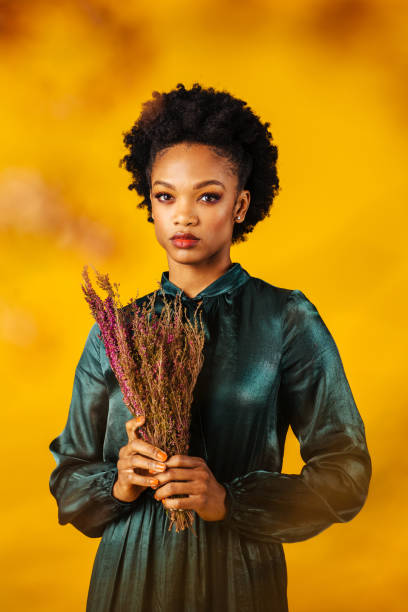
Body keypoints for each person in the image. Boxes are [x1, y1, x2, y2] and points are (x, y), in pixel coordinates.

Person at [49, 82, 372, 612]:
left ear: (240, 204)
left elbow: (346, 473)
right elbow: (69, 476)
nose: (184, 215)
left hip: (238, 577)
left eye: (208, 195)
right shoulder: (117, 329)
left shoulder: (286, 318)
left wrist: (230, 500)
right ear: (149, 204)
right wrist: (119, 482)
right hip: (129, 579)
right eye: (165, 195)